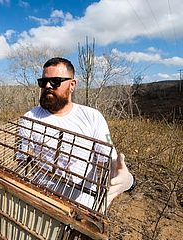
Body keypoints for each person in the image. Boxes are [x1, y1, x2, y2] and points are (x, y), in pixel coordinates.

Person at [18, 57, 136, 208]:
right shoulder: (29, 118)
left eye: (55, 81)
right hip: (42, 204)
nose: (47, 86)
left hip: (80, 207)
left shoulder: (92, 117)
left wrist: (124, 177)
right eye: (43, 82)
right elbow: (23, 160)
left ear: (72, 85)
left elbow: (108, 161)